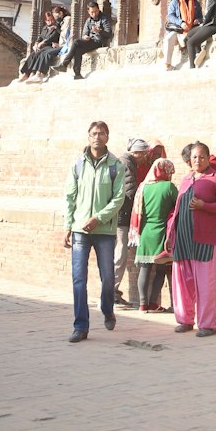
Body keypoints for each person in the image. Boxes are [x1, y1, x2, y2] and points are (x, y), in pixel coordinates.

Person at [63, 121, 126, 344]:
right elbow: (70, 196)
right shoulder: (78, 165)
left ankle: (107, 308)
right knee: (78, 278)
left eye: (101, 133)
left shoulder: (115, 166)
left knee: (108, 276)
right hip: (81, 229)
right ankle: (80, 326)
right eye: (93, 133)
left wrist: (98, 218)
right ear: (88, 137)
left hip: (104, 230)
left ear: (107, 137)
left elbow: (118, 199)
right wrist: (68, 225)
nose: (97, 137)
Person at [169, 141, 216, 336]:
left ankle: (207, 324)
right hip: (183, 239)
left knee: (206, 284)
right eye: (194, 157)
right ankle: (184, 320)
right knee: (182, 283)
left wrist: (205, 206)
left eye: (202, 156)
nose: (198, 160)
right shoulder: (186, 179)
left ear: (207, 158)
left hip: (204, 239)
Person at [132, 158, 178, 312]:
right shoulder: (169, 187)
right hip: (161, 234)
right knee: (160, 270)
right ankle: (153, 303)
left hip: (145, 232)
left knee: (144, 269)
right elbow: (178, 207)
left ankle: (142, 304)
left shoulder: (143, 187)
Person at [114, 138, 151, 305]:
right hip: (121, 216)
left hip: (120, 215)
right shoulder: (127, 163)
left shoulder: (127, 163)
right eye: (143, 154)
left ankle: (111, 291)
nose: (144, 157)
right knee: (119, 254)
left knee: (118, 254)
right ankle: (110, 291)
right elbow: (129, 191)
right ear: (137, 153)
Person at [52, 1, 114, 80]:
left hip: (99, 41)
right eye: (92, 12)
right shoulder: (88, 20)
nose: (94, 14)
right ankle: (77, 74)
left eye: (96, 11)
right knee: (78, 50)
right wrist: (85, 37)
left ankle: (64, 64)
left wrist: (99, 31)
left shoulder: (104, 18)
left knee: (76, 42)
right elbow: (84, 33)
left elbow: (109, 34)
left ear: (98, 10)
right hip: (90, 41)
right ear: (88, 12)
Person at [185, 0, 216, 69]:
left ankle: (192, 67)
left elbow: (207, 15)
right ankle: (199, 52)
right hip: (212, 24)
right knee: (189, 34)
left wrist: (201, 22)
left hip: (212, 25)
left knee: (190, 42)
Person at [164, 0, 201, 69]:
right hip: (178, 30)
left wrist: (198, 20)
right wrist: (181, 22)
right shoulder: (175, 2)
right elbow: (170, 16)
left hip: (191, 29)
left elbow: (201, 17)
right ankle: (167, 64)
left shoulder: (195, 3)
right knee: (168, 39)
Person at [19, 8, 62, 80]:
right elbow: (40, 37)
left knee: (39, 53)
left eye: (52, 20)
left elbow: (51, 38)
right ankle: (26, 73)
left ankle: (33, 73)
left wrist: (42, 43)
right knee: (33, 54)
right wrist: (36, 44)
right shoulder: (45, 28)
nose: (50, 22)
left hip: (50, 46)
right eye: (48, 20)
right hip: (42, 47)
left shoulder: (56, 28)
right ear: (46, 21)